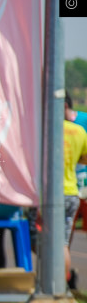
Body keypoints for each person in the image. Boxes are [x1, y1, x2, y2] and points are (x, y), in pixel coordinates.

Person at [64, 94, 87, 289]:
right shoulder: (79, 129)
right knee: (64, 240)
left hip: (68, 190)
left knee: (63, 240)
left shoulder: (83, 122)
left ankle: (65, 279)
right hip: (73, 190)